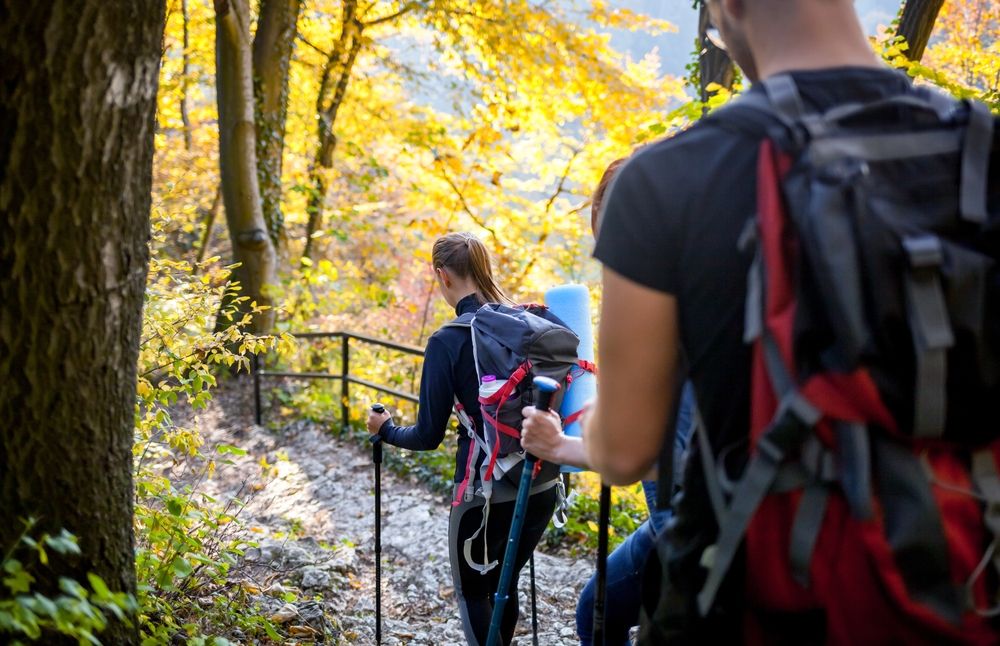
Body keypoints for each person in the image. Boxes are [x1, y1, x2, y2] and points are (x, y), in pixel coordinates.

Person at [580, 0, 962, 642]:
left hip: (762, 602)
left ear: (729, 8)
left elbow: (623, 451)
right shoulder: (977, 148)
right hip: (949, 584)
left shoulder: (667, 180)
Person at [521, 158, 695, 645]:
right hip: (767, 514)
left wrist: (558, 446)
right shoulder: (725, 286)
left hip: (692, 531)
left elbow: (637, 455)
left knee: (596, 612)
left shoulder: (658, 314)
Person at [366, 232, 559, 646]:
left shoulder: (447, 340)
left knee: (475, 592)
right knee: (504, 583)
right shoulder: (523, 324)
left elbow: (427, 435)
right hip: (542, 482)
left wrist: (384, 430)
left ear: (442, 275)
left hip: (483, 494)